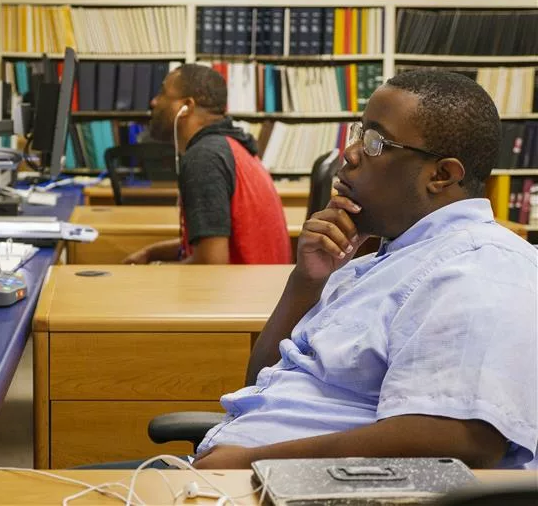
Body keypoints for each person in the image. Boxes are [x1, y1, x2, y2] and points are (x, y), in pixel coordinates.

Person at [189, 70, 537, 470]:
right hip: (243, 475)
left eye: (375, 142)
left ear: (441, 175)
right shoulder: (378, 262)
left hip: (284, 485)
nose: (350, 153)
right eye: (358, 133)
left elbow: (458, 438)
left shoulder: (480, 268)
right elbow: (263, 381)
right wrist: (306, 283)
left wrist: (249, 461)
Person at [122, 64, 291, 265]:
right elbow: (213, 242)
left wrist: (156, 270)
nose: (154, 101)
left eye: (162, 93)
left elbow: (211, 265)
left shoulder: (204, 158)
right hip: (261, 286)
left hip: (242, 294)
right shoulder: (232, 146)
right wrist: (152, 253)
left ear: (186, 106)